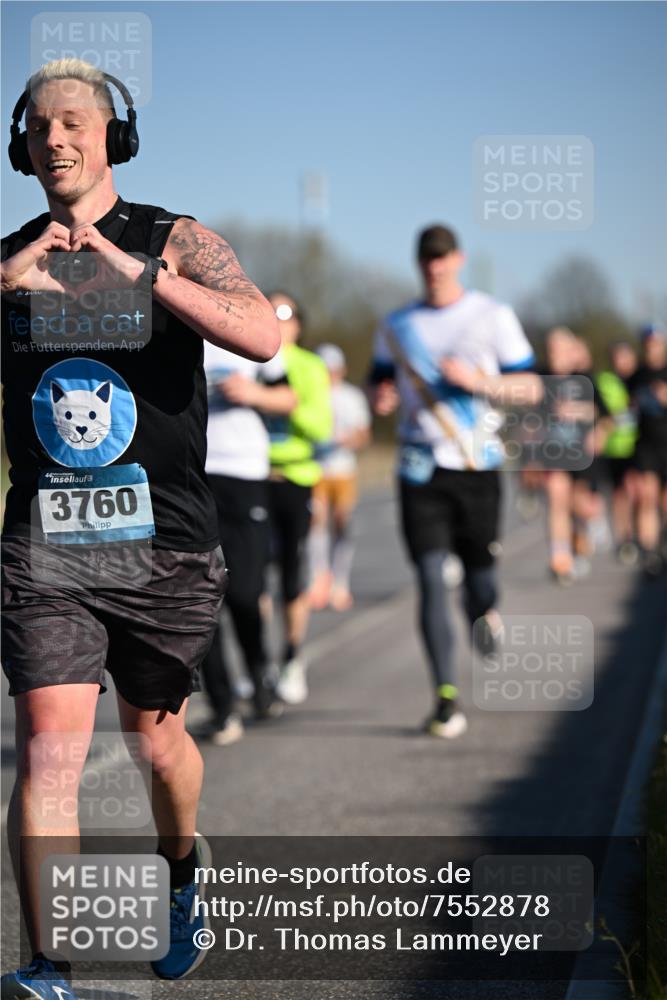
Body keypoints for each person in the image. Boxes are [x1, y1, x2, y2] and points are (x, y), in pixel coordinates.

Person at [0, 59, 278, 998]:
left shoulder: (174, 239)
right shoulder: (9, 260)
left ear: (113, 137)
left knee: (156, 744)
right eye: (39, 126)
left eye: (75, 121)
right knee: (50, 747)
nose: (56, 139)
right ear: (20, 146)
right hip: (46, 545)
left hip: (165, 544)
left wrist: (145, 279)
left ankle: (183, 870)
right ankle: (49, 965)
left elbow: (262, 335)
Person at [368, 224, 540, 738]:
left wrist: (478, 382)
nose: (434, 266)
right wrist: (382, 398)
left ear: (458, 260)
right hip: (419, 467)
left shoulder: (491, 315)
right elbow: (379, 382)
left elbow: (532, 387)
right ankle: (445, 696)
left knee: (479, 579)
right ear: (418, 263)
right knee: (428, 576)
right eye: (427, 258)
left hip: (476, 466)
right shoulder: (396, 324)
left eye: (442, 257)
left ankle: (484, 609)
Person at [197, 340, 286, 746]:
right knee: (201, 599)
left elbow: (288, 397)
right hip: (192, 476)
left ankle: (259, 672)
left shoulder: (248, 327)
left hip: (245, 473)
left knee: (246, 594)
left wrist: (253, 394)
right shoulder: (171, 328)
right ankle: (222, 706)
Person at [259, 293, 332, 704]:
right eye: (269, 312)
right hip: (251, 477)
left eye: (285, 314)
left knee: (291, 573)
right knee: (251, 575)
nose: (278, 320)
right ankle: (261, 661)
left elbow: (321, 427)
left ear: (299, 324)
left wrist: (285, 404)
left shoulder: (309, 365)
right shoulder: (246, 361)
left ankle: (291, 656)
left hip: (295, 476)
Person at [309, 343, 371, 611]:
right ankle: (318, 578)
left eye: (333, 370)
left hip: (343, 470)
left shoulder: (352, 397)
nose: (329, 375)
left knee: (342, 523)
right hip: (315, 468)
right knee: (316, 522)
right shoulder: (310, 393)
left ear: (341, 370)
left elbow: (363, 434)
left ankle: (340, 581)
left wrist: (347, 440)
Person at [595, 341, 640, 564]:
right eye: (618, 357)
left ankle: (643, 535)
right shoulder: (605, 381)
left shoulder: (642, 378)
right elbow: (605, 414)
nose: (622, 362)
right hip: (616, 447)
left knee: (641, 491)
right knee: (621, 494)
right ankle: (625, 538)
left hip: (642, 444)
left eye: (626, 357)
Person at [628, 323, 667, 575]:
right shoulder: (638, 376)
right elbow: (626, 410)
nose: (651, 349)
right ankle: (650, 553)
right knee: (646, 497)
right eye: (648, 345)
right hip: (646, 446)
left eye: (655, 344)